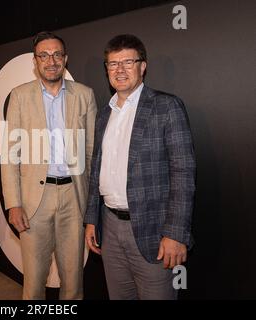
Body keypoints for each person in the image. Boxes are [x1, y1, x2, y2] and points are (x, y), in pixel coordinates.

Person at [84, 34, 196, 300]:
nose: (120, 70)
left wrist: (175, 233)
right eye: (113, 64)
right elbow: (96, 170)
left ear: (142, 66)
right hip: (109, 228)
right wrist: (91, 220)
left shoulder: (166, 107)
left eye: (128, 62)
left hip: (153, 231)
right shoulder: (103, 114)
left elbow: (184, 173)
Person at [1, 31, 97, 300]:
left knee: (74, 281)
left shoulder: (85, 95)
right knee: (33, 282)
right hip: (34, 201)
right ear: (35, 61)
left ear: (65, 59)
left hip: (73, 198)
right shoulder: (19, 96)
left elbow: (91, 152)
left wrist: (90, 203)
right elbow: (10, 155)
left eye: (56, 54)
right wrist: (13, 202)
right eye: (44, 55)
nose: (51, 60)